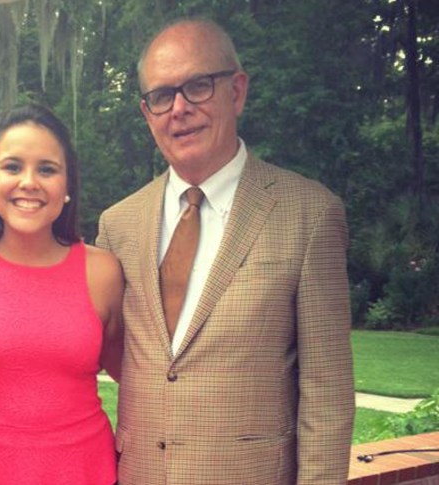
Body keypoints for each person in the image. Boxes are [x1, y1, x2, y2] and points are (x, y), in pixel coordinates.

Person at [95, 18, 355, 484]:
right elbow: (79, 337)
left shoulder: (309, 214)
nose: (179, 109)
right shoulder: (118, 225)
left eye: (197, 86)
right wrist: (0, 248)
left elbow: (327, 393)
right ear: (146, 112)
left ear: (236, 91)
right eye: (161, 96)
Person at [0, 103, 123, 485]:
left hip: (85, 472)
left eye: (47, 169)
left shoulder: (104, 272)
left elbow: (130, 368)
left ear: (67, 187)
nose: (29, 181)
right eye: (13, 166)